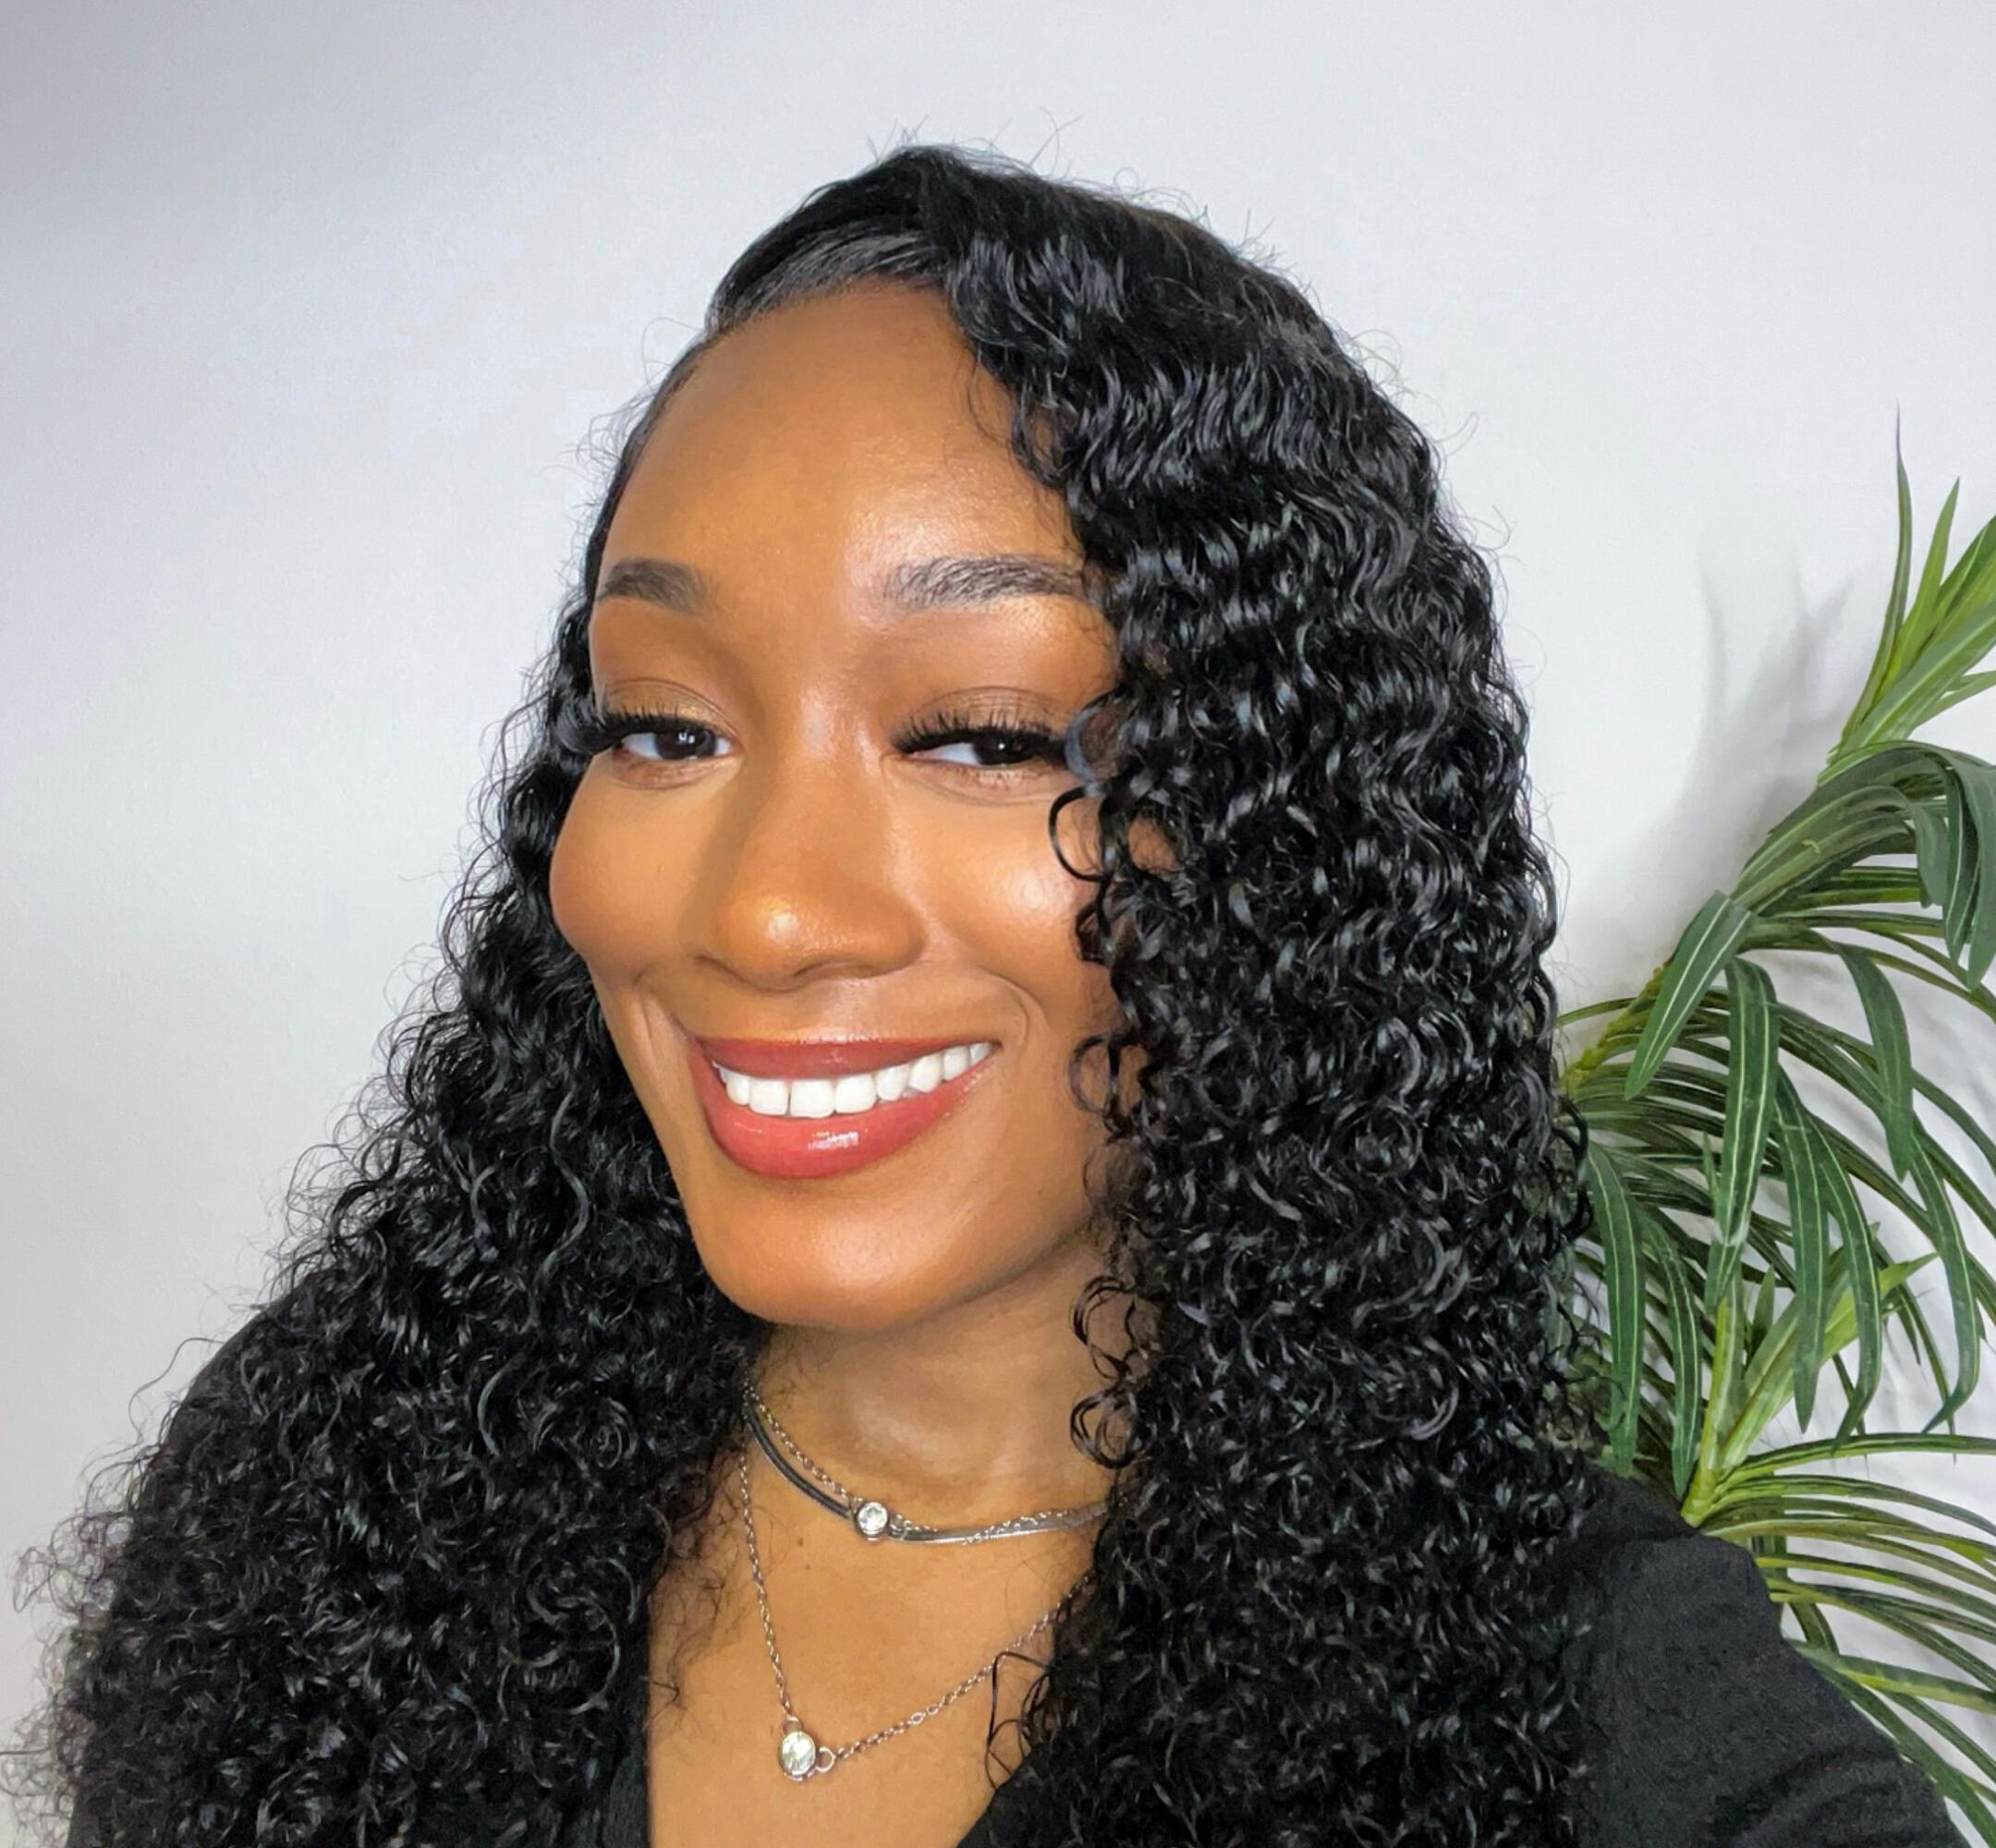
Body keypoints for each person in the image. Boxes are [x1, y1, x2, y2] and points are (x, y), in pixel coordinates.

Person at [22, 144, 1962, 1848]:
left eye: (981, 735)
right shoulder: (343, 1495)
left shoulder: (1601, 1713)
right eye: (668, 724)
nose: (770, 912)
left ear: (1280, 846)